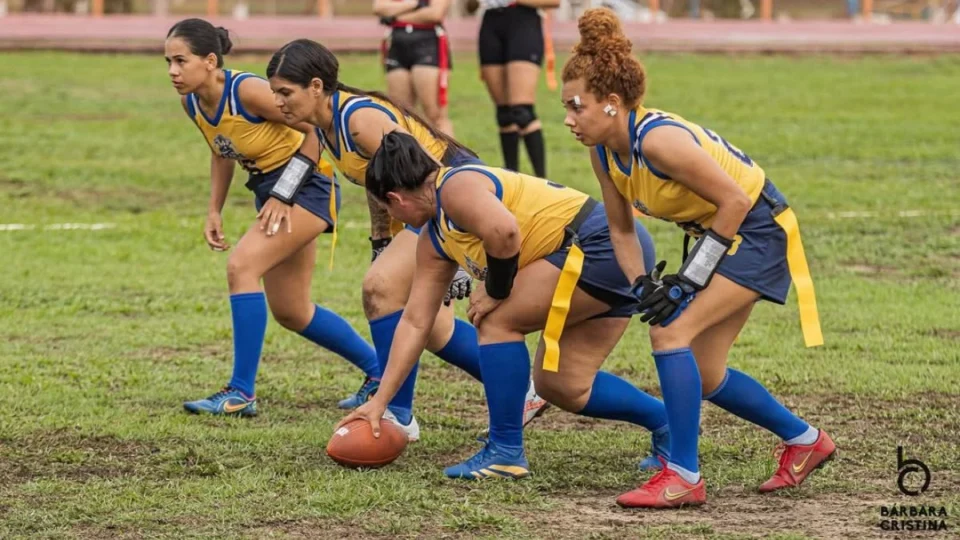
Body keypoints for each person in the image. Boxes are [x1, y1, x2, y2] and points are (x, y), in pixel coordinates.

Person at [560, 8, 834, 508]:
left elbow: (735, 202)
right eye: (566, 107)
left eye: (577, 106)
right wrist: (642, 284)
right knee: (705, 373)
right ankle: (805, 440)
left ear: (612, 104)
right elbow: (621, 227)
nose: (568, 118)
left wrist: (687, 282)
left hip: (756, 230)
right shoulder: (603, 151)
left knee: (670, 333)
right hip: (724, 235)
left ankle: (683, 474)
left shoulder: (657, 140)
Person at [339, 131, 672, 479]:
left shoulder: (454, 186)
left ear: (395, 198)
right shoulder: (434, 238)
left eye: (388, 209)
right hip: (608, 250)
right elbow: (415, 322)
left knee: (495, 320)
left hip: (602, 245)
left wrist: (496, 290)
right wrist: (380, 402)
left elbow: (505, 232)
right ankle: (667, 423)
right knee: (562, 385)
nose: (393, 217)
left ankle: (505, 451)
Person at [266, 39, 549, 439]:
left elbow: (428, 178)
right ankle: (525, 390)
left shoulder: (360, 119)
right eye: (274, 92)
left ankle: (397, 415)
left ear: (315, 86)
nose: (277, 102)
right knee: (433, 328)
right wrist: (380, 239)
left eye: (284, 92)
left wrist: (452, 253)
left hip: (451, 201)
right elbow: (378, 182)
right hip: (422, 207)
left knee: (379, 289)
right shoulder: (323, 125)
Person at [164, 19, 381, 416]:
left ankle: (240, 392)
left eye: (181, 61)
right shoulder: (192, 101)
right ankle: (379, 372)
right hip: (270, 192)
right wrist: (213, 209)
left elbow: (315, 131)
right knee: (292, 311)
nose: (173, 71)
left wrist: (285, 193)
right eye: (168, 62)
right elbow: (221, 150)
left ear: (210, 61)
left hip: (308, 186)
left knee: (241, 267)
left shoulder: (247, 91)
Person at [472, 0, 559, 178]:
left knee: (522, 111)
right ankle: (511, 180)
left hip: (523, 21)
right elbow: (470, 7)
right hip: (491, 21)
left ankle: (543, 182)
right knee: (504, 115)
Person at [373, 0, 455, 135]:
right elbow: (379, 8)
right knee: (400, 115)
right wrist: (415, 4)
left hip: (428, 45)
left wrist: (394, 17)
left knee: (435, 115)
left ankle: (447, 149)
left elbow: (435, 14)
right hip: (397, 44)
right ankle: (411, 148)